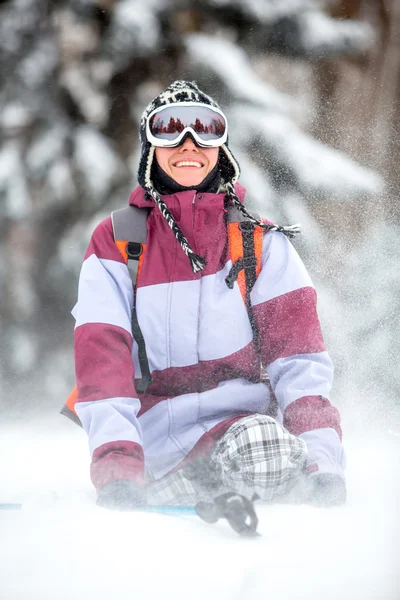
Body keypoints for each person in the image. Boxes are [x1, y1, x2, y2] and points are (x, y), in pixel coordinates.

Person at [72, 80, 346, 528]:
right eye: (169, 131)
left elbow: (299, 361)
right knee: (230, 463)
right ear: (149, 147)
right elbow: (103, 364)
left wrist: (323, 463)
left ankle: (232, 486)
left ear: (221, 147)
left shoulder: (257, 243)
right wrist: (119, 467)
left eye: (205, 130)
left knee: (264, 451)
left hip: (246, 433)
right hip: (157, 441)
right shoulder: (119, 240)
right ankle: (198, 488)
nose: (188, 145)